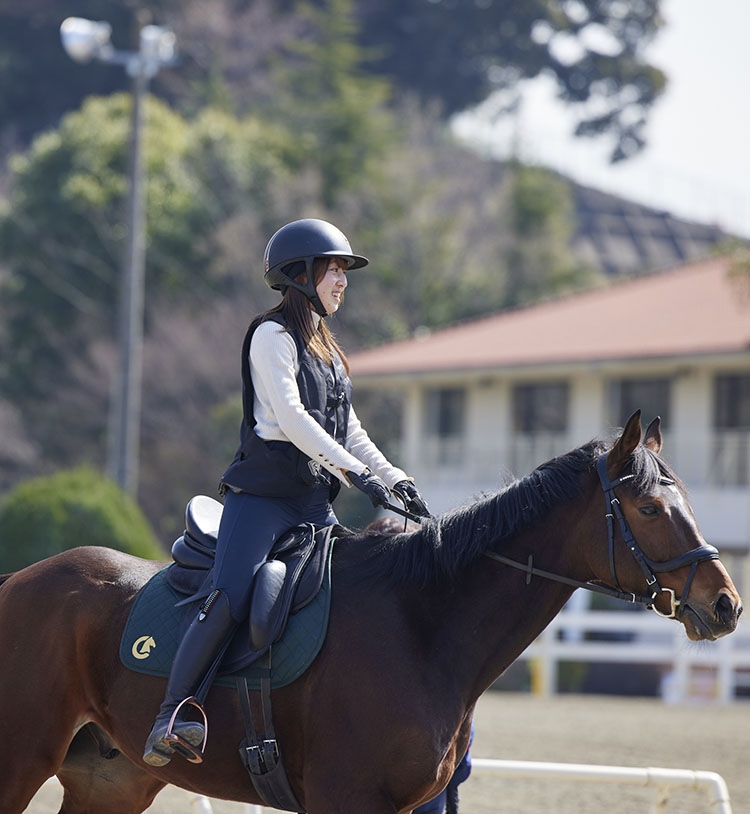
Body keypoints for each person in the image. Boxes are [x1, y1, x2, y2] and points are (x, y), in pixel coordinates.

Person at [143, 217, 430, 767]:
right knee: (231, 595)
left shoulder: (326, 350)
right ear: (300, 274)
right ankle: (173, 714)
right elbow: (293, 420)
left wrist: (395, 478)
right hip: (263, 502)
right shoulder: (271, 336)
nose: (343, 282)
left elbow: (350, 431)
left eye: (346, 272)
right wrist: (356, 475)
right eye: (334, 270)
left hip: (313, 506)